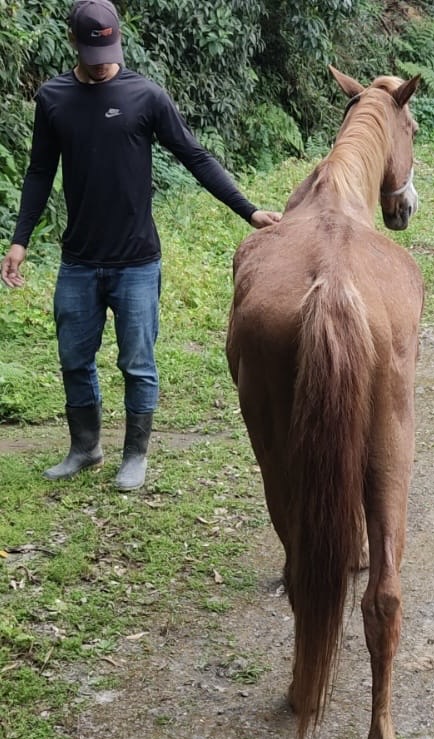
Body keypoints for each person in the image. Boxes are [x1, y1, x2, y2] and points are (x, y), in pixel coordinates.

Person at [1, 0, 281, 491]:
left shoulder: (145, 95)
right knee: (73, 358)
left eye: (110, 48)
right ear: (74, 43)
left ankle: (135, 455)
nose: (104, 59)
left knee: (138, 363)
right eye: (94, 50)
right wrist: (20, 240)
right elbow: (40, 171)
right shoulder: (53, 98)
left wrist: (249, 210)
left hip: (136, 261)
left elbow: (194, 155)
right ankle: (85, 447)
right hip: (78, 262)